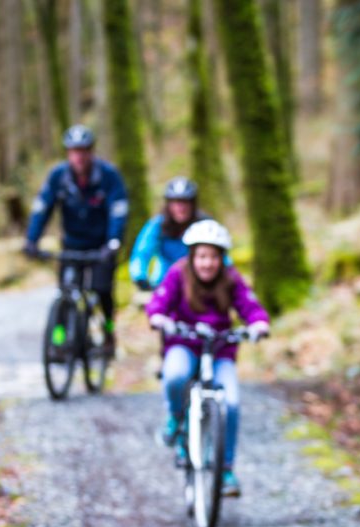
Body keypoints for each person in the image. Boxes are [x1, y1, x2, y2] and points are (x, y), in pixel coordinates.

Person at [145, 219, 270, 497]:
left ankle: (225, 469)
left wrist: (258, 324)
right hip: (184, 342)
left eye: (213, 256)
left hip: (219, 350)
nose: (207, 263)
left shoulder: (231, 279)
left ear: (221, 258)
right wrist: (158, 317)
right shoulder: (178, 275)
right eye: (202, 256)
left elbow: (251, 307)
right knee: (175, 375)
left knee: (232, 402)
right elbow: (159, 302)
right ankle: (176, 418)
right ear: (192, 256)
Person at [24, 124, 128, 354]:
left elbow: (118, 211)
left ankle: (109, 332)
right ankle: (59, 340)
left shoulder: (108, 176)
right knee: (65, 292)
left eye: (83, 151)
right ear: (68, 153)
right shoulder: (58, 176)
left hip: (102, 246)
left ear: (91, 152)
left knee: (102, 292)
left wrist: (113, 242)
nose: (79, 156)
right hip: (72, 244)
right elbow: (42, 208)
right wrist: (32, 240)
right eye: (74, 151)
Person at [129, 176, 210, 291]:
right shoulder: (158, 225)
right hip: (164, 283)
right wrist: (139, 276)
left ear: (193, 204)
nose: (180, 208)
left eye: (185, 202)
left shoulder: (205, 224)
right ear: (168, 204)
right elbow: (142, 252)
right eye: (176, 202)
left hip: (198, 284)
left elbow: (220, 255)